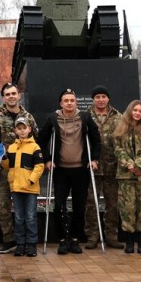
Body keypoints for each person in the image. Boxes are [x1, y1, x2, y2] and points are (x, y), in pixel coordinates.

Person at [37, 88, 101, 255]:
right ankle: (62, 239)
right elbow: (41, 139)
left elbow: (96, 139)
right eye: (66, 101)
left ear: (76, 102)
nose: (69, 103)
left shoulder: (85, 117)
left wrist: (94, 159)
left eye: (72, 100)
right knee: (59, 205)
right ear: (61, 103)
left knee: (79, 206)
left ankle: (75, 238)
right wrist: (47, 159)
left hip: (81, 169)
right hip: (61, 170)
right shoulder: (53, 119)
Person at [0, 83, 38, 255]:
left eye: (13, 93)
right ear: (3, 97)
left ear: (19, 95)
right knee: (3, 204)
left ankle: (27, 242)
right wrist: (2, 157)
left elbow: (35, 138)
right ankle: (9, 240)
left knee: (26, 209)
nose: (11, 96)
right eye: (7, 94)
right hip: (5, 168)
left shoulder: (28, 117)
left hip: (25, 169)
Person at [84, 86, 123, 249]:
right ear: (93, 99)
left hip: (112, 167)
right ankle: (92, 235)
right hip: (92, 167)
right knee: (91, 204)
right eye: (97, 97)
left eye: (103, 97)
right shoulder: (85, 116)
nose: (101, 100)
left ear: (108, 99)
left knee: (112, 204)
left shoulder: (118, 116)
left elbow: (123, 140)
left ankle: (111, 235)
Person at [114, 100, 141, 254]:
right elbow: (117, 149)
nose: (137, 113)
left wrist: (139, 165)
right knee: (127, 208)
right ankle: (129, 241)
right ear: (130, 111)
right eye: (135, 110)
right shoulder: (120, 129)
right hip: (125, 176)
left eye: (140, 111)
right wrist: (130, 165)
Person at [2, 117, 45, 257]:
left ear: (29, 129)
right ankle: (20, 244)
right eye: (19, 128)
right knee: (19, 217)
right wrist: (4, 159)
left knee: (31, 216)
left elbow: (39, 166)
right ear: (15, 130)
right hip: (16, 187)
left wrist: (31, 180)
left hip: (30, 188)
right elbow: (8, 166)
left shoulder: (35, 147)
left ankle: (31, 244)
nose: (22, 131)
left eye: (24, 128)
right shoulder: (12, 147)